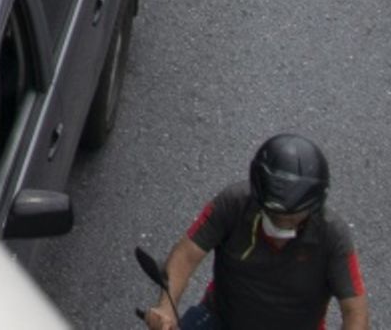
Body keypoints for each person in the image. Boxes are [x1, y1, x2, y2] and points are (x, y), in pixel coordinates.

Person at [148, 134, 370, 330]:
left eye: (292, 217)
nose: (282, 224)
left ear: (313, 207)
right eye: (274, 214)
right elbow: (186, 255)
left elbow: (355, 311)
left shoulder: (332, 235)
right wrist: (166, 309)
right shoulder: (234, 203)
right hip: (221, 321)